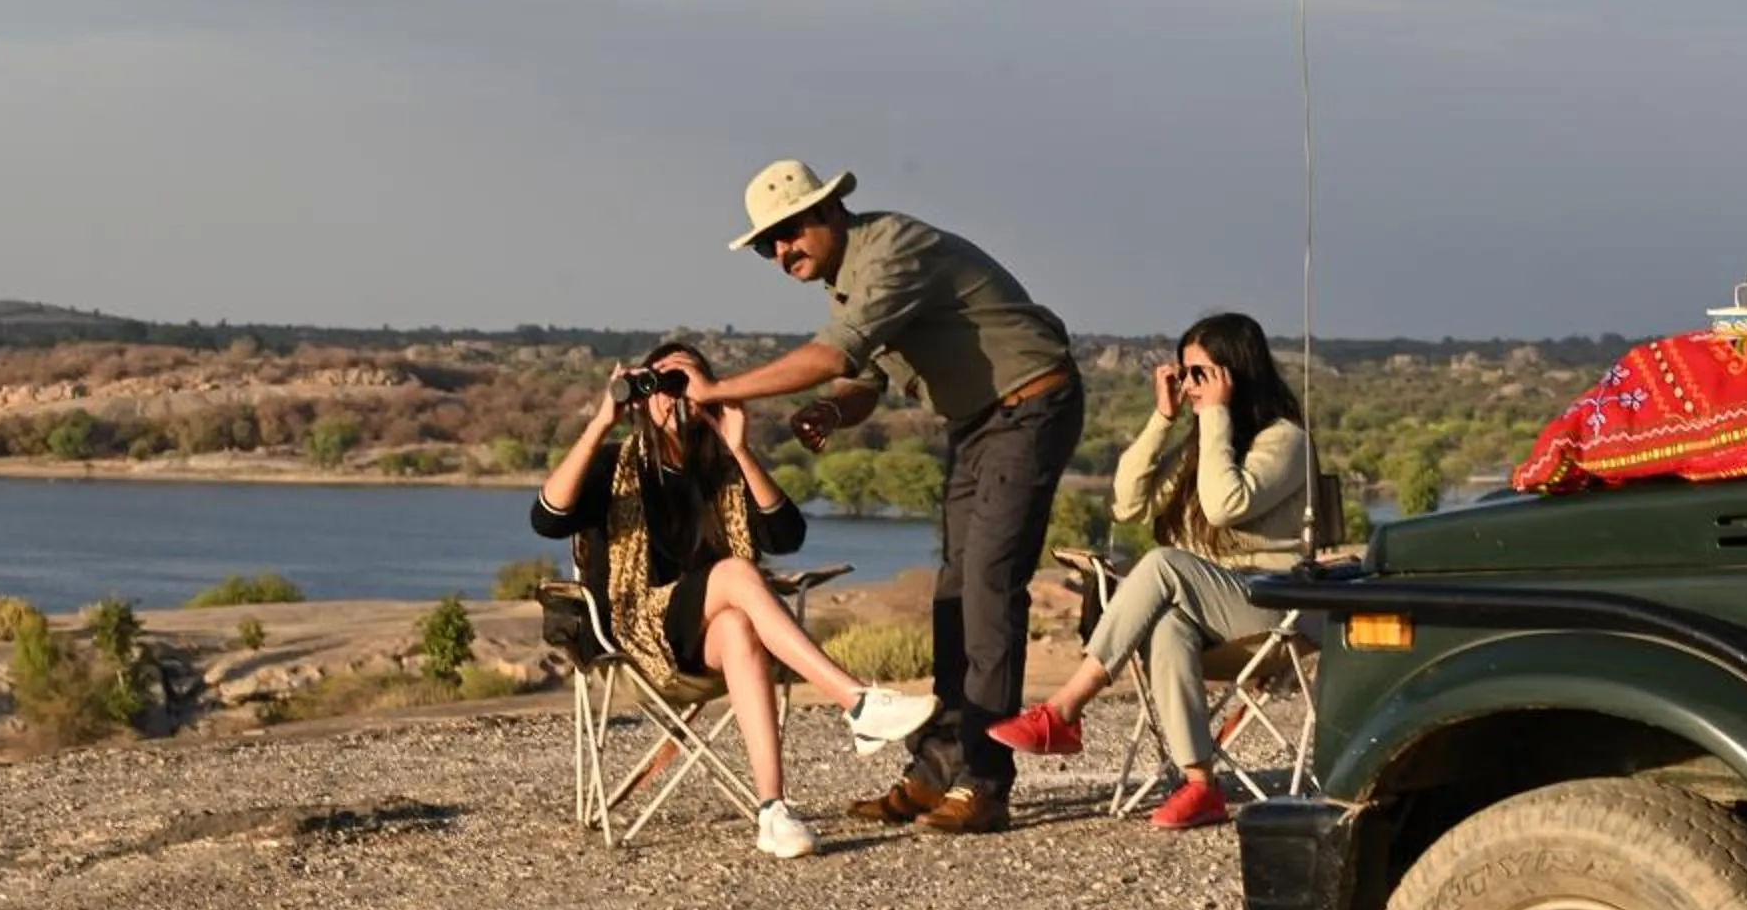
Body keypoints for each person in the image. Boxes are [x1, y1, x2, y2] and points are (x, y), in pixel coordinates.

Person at [690, 159, 1082, 835]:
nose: (781, 252)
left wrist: (718, 393)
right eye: (767, 245)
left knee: (990, 584)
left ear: (828, 212)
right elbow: (861, 381)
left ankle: (985, 782)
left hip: (1030, 407)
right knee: (954, 591)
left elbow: (833, 358)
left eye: (788, 233)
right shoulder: (848, 284)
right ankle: (936, 771)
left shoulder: (894, 250)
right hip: (979, 422)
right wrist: (835, 414)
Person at [534, 339, 938, 859]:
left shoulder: (722, 470)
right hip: (633, 635)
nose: (673, 399)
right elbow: (547, 517)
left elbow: (787, 535)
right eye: (661, 386)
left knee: (740, 627)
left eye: (688, 385)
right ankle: (857, 701)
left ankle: (774, 810)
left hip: (704, 643)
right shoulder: (614, 465)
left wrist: (740, 448)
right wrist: (600, 423)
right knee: (736, 574)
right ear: (641, 396)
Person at [987, 311, 1307, 830]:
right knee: (1167, 627)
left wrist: (1216, 418)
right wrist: (1162, 420)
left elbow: (1226, 504)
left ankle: (1065, 709)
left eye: (1199, 374)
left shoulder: (1284, 440)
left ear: (1236, 371)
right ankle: (1201, 784)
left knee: (1160, 564)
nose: (1189, 386)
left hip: (1273, 607)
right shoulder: (1202, 445)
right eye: (1183, 374)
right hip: (1215, 613)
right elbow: (1128, 505)